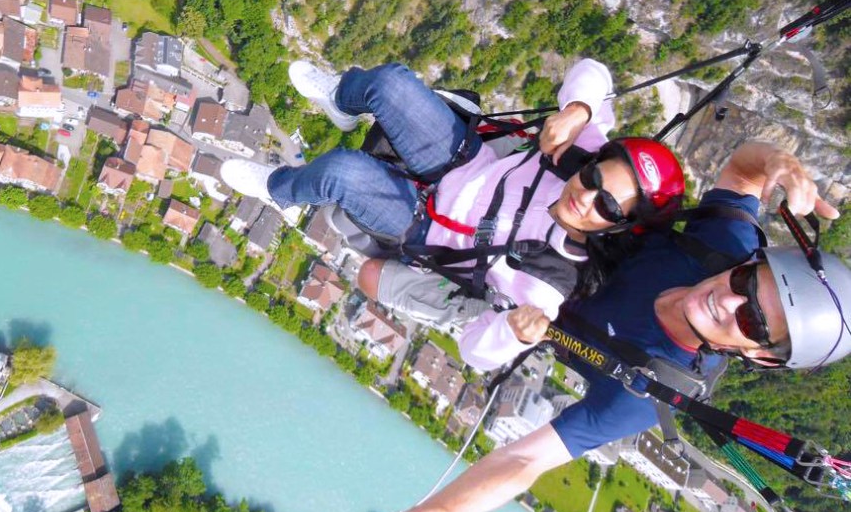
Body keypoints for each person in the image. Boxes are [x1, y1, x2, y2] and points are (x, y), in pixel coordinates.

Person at [355, 141, 846, 512]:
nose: (728, 297)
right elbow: (744, 168)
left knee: (371, 276)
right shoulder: (724, 245)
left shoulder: (648, 390)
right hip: (559, 234)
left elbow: (523, 463)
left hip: (513, 309)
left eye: (752, 319)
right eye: (746, 280)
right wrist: (781, 163)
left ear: (760, 355)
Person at [221, 61, 685, 367]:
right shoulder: (576, 150)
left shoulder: (550, 282)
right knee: (388, 84)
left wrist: (514, 335)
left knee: (341, 171)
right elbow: (593, 72)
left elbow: (474, 351)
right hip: (461, 161)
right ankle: (342, 102)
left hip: (424, 223)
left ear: (617, 225)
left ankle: (277, 189)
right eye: (595, 180)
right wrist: (579, 111)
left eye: (606, 205)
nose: (587, 196)